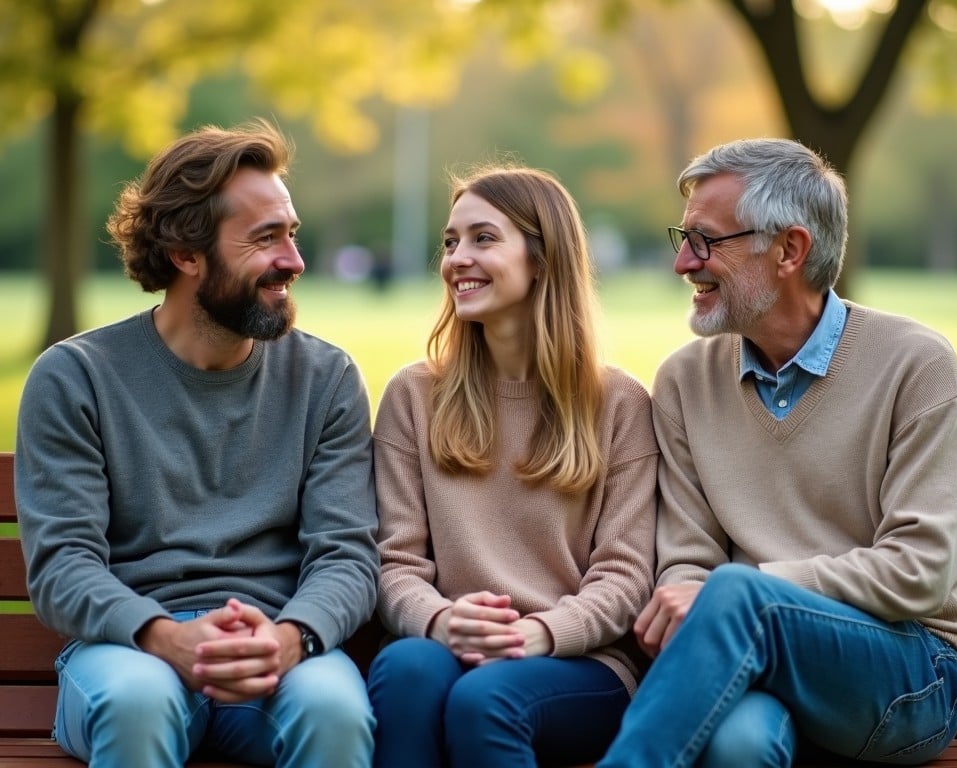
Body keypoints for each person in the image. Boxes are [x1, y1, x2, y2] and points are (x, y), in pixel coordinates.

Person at [597, 138, 957, 768]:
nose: (682, 264)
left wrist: (754, 589)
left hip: (914, 668)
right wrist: (727, 598)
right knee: (740, 745)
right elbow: (686, 564)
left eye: (706, 240)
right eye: (683, 237)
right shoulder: (683, 382)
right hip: (755, 656)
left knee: (734, 594)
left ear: (789, 250)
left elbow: (920, 569)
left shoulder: (916, 363)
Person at [15, 119, 379, 768]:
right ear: (186, 254)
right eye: (265, 238)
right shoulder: (76, 378)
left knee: (333, 711)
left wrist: (290, 638)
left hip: (277, 648)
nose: (293, 261)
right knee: (137, 703)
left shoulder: (327, 379)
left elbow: (346, 554)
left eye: (290, 235)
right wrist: (164, 636)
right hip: (128, 650)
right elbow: (63, 564)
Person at [367, 165, 658, 767]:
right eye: (450, 242)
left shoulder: (619, 405)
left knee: (486, 699)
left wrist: (540, 633)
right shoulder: (413, 397)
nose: (456, 259)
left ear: (542, 261)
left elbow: (626, 577)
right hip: (448, 642)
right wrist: (442, 620)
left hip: (583, 662)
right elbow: (394, 563)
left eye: (483, 238)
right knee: (404, 669)